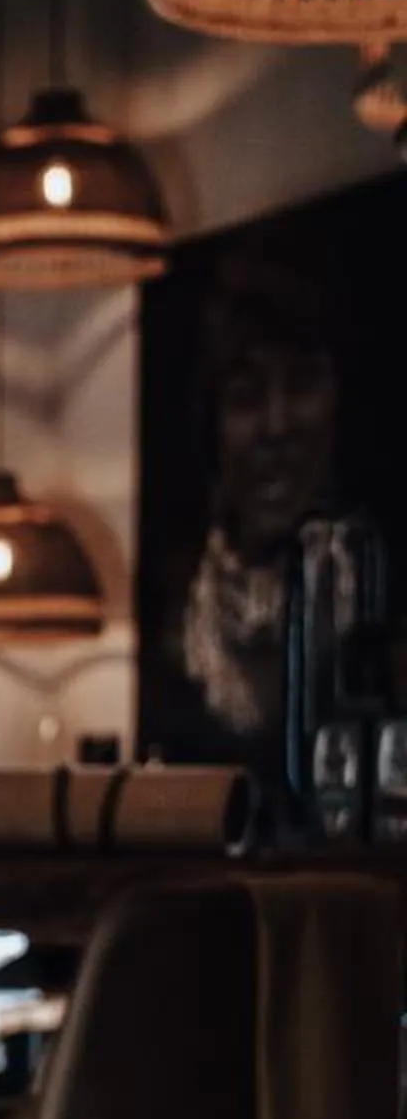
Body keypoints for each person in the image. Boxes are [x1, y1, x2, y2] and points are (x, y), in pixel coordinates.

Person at [168, 255, 340, 759]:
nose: (277, 426)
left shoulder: (377, 611)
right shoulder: (175, 629)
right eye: (246, 397)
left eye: (303, 385)